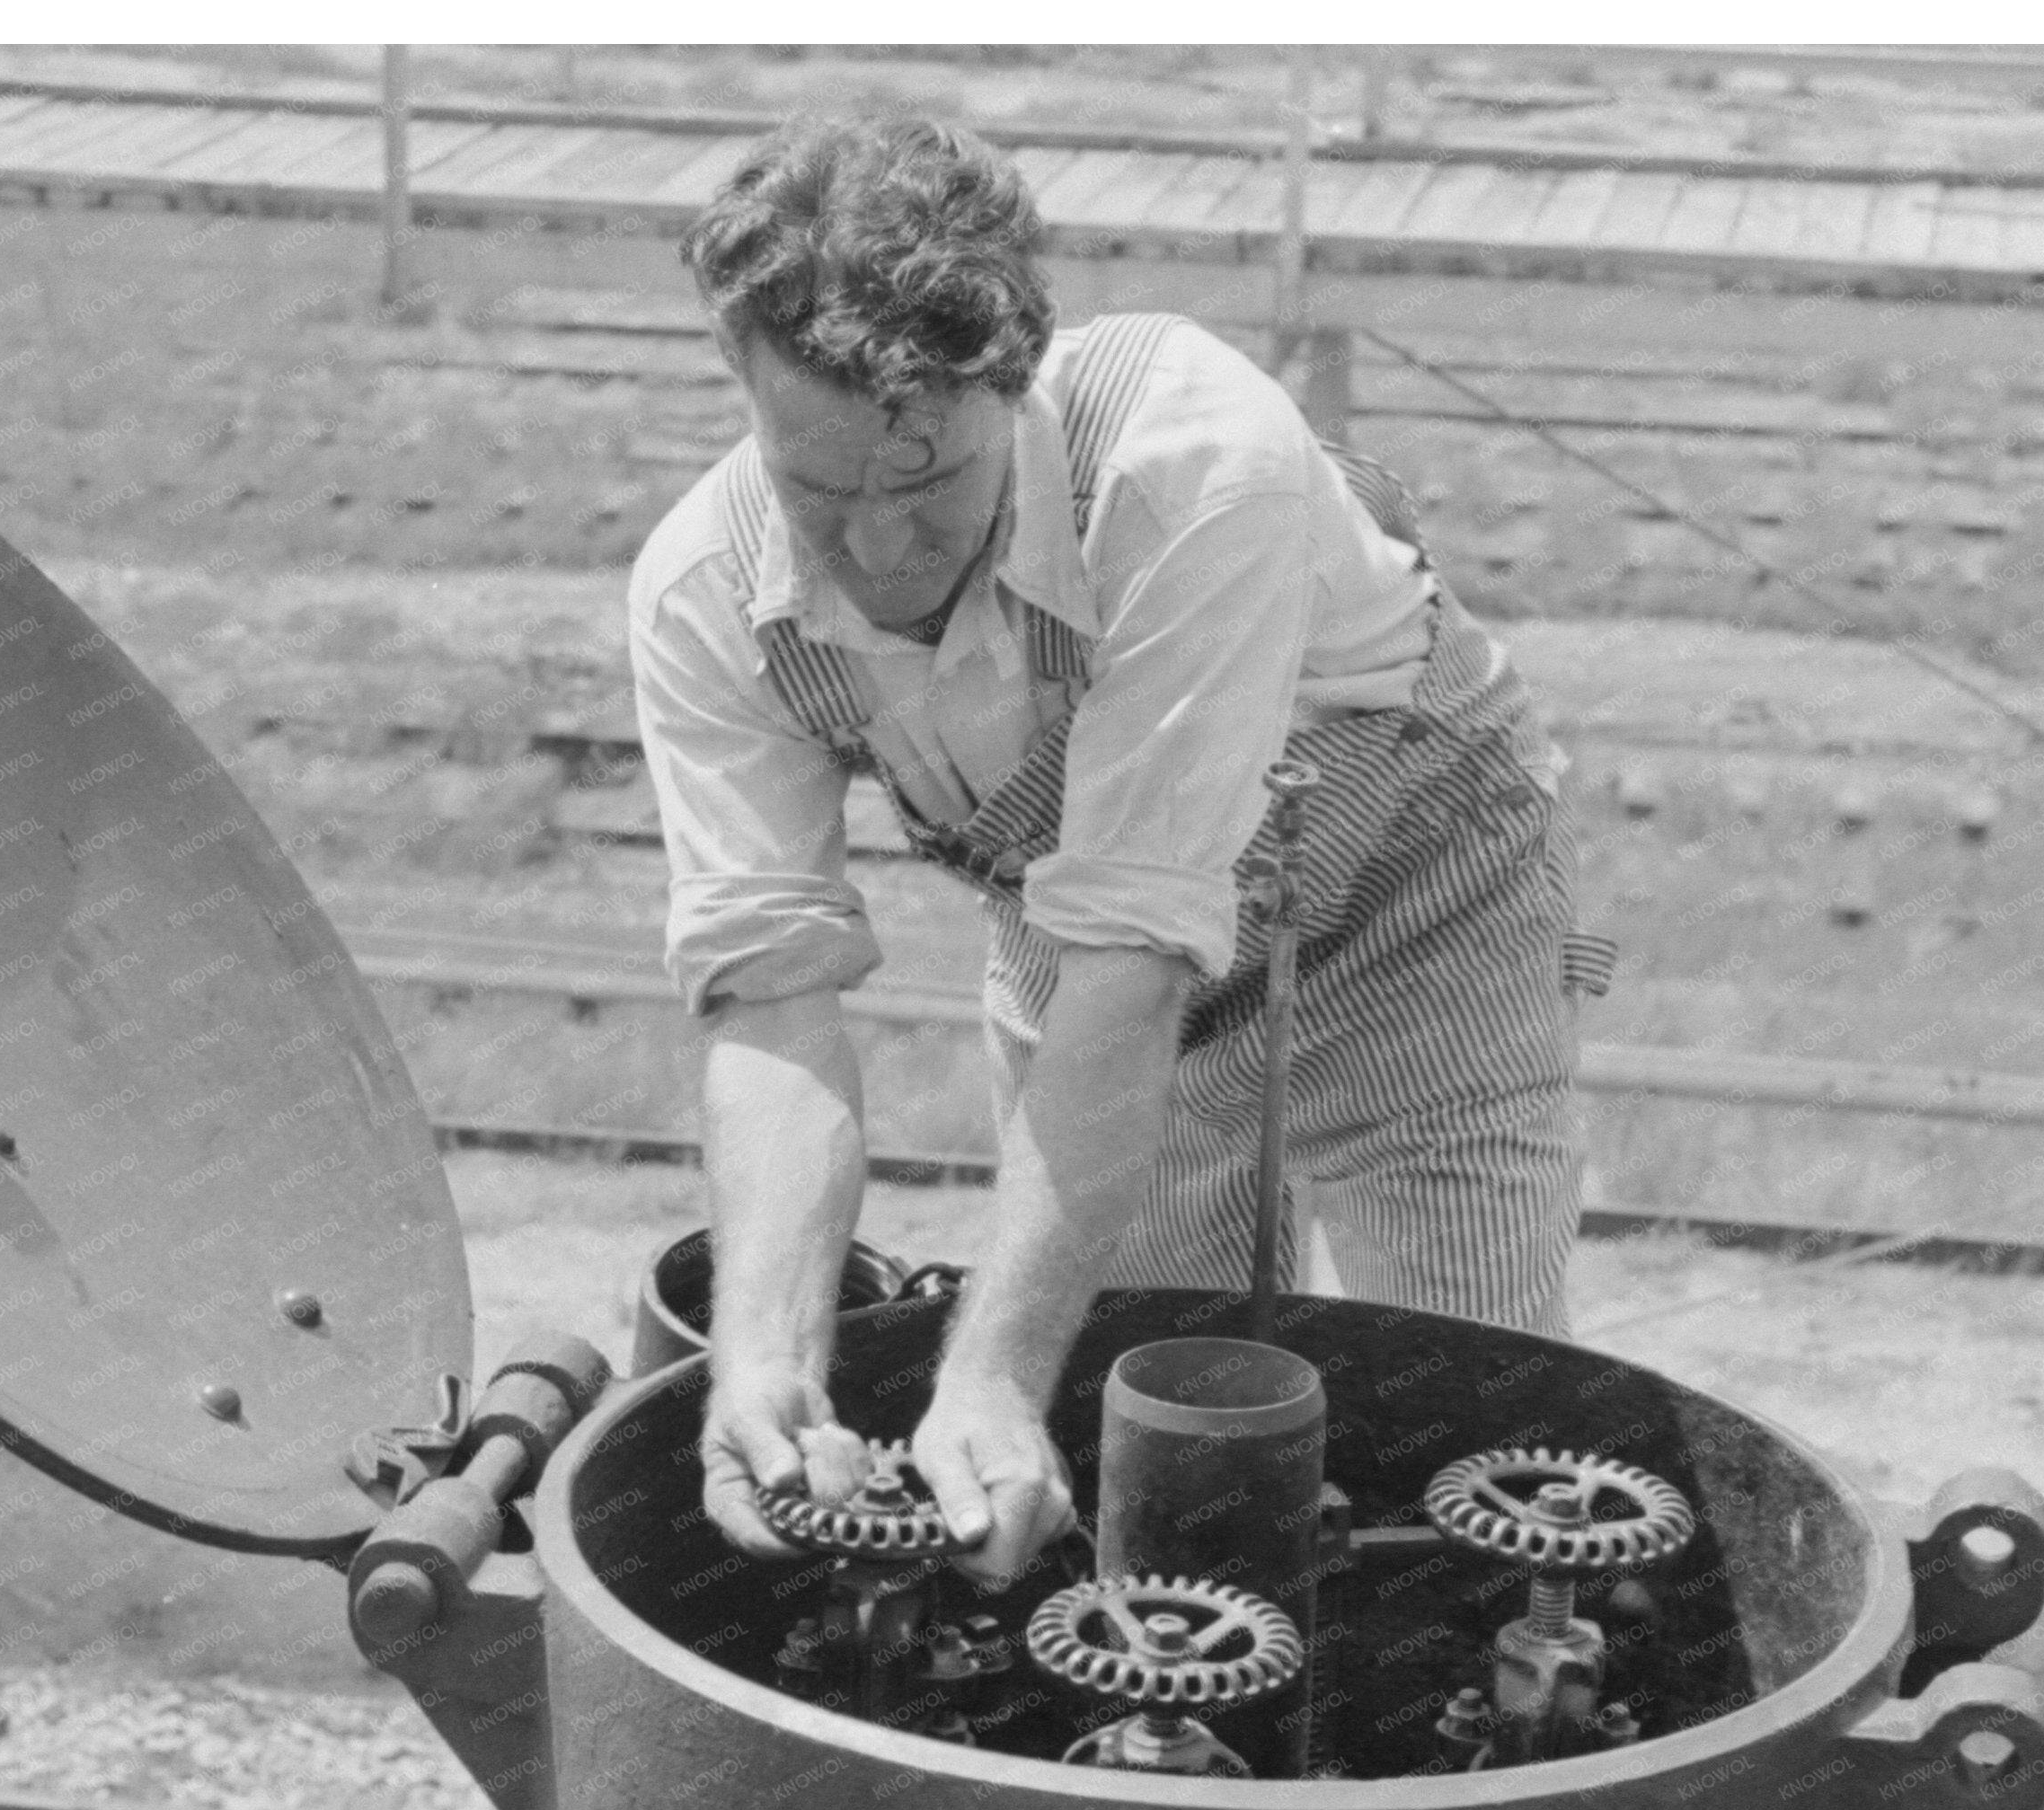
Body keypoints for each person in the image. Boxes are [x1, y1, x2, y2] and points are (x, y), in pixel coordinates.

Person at [628, 115, 1608, 1592]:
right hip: (1082, 926)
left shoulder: (1190, 456)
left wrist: (993, 1373)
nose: (882, 552)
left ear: (1012, 381)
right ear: (743, 391)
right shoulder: (702, 591)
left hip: (1414, 908)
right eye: (821, 491)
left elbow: (1138, 959)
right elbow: (768, 1000)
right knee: (1143, 1427)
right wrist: (762, 1363)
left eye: (933, 485)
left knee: (1459, 1430)